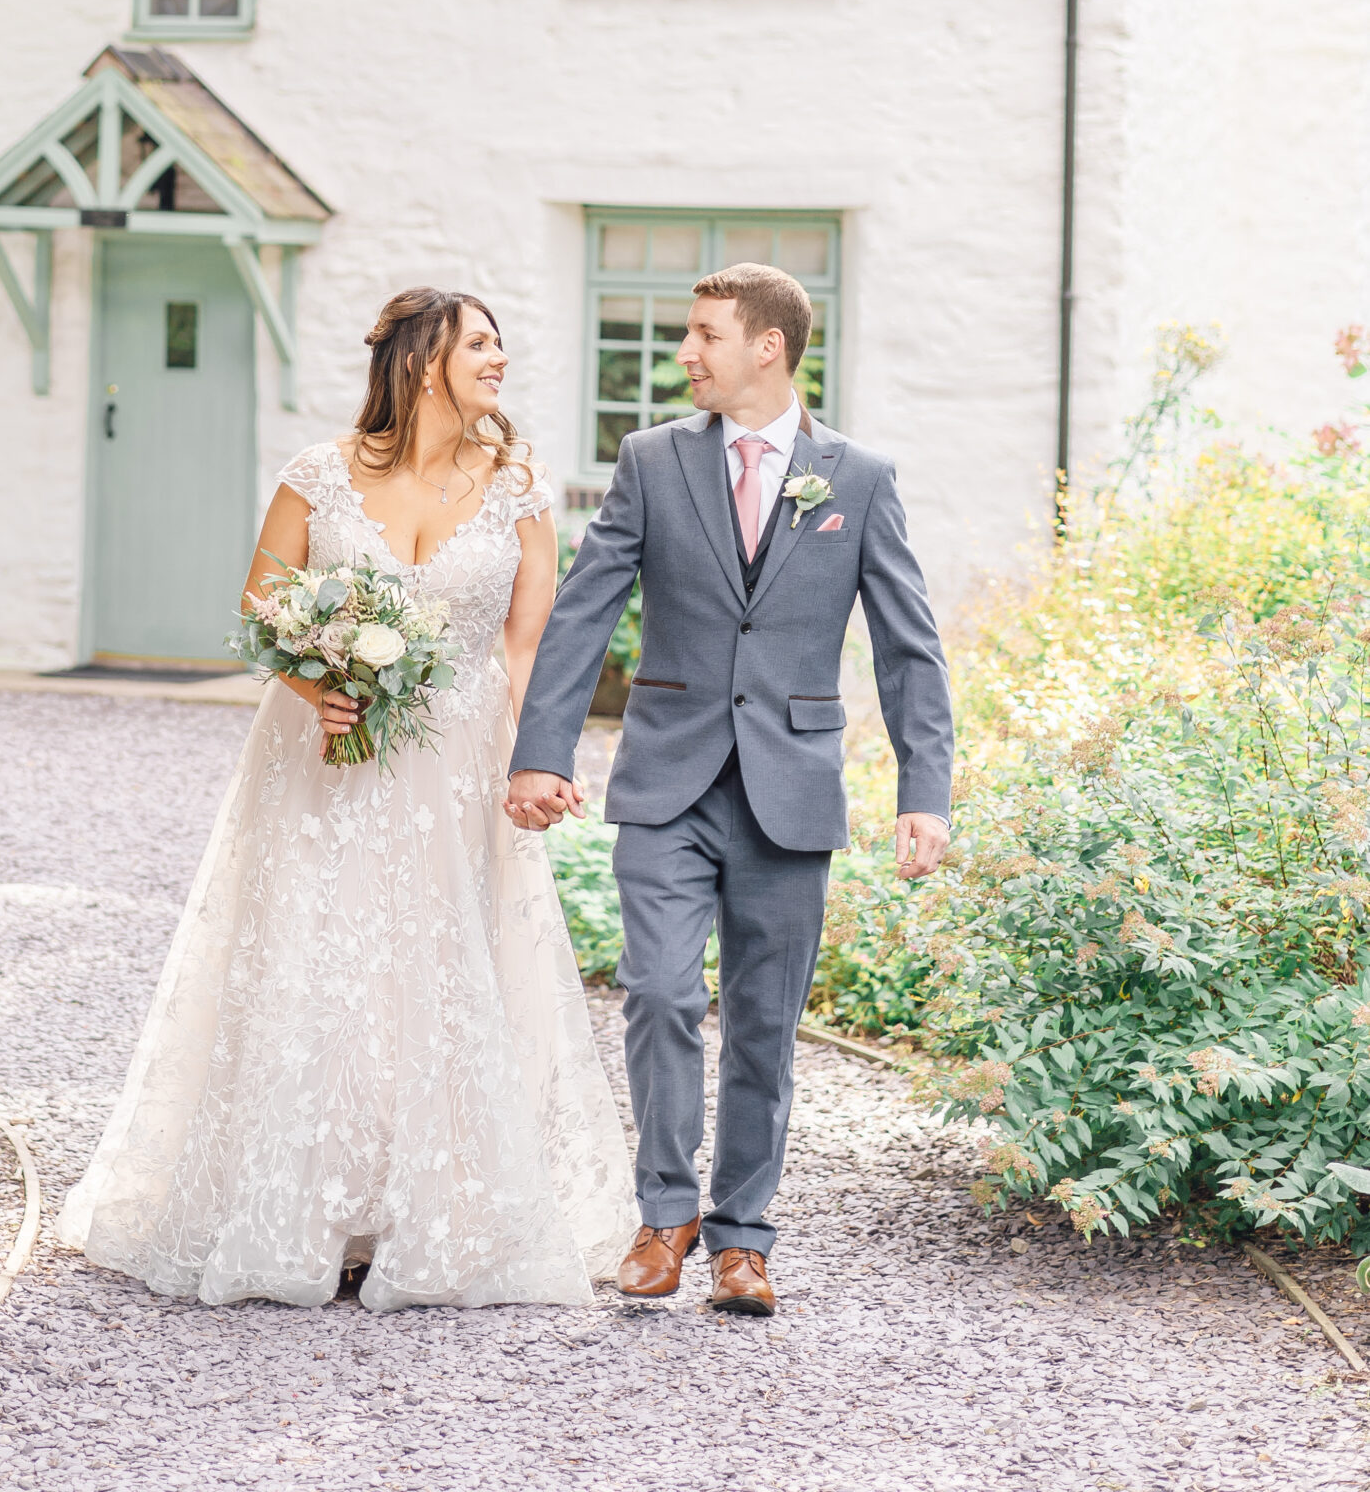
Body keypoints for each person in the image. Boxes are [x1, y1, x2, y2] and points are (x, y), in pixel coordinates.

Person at [60, 286, 636, 1310]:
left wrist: (532, 759)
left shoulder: (520, 487)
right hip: (320, 763)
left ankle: (431, 1214)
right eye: (482, 345)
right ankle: (307, 1210)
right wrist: (317, 683)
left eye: (501, 345)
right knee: (320, 958)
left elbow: (525, 645)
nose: (500, 361)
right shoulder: (319, 476)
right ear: (424, 362)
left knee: (440, 965)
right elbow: (262, 604)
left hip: (456, 762)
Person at [506, 262, 953, 1318]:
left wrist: (921, 789)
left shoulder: (859, 478)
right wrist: (544, 751)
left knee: (764, 1024)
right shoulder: (653, 461)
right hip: (668, 777)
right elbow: (583, 609)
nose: (686, 354)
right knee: (659, 991)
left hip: (790, 791)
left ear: (768, 346)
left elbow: (910, 648)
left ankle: (744, 1239)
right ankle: (664, 1217)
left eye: (706, 334)